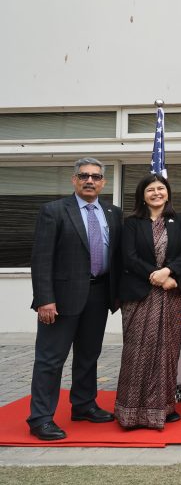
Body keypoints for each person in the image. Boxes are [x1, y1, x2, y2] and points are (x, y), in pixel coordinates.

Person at [26, 158, 122, 441]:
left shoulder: (113, 213)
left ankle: (83, 404)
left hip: (99, 293)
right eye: (84, 176)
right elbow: (41, 259)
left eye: (95, 176)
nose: (89, 181)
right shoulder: (54, 211)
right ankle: (41, 418)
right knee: (50, 360)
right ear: (74, 180)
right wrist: (45, 299)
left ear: (104, 182)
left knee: (89, 355)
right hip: (61, 299)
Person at [115, 174, 181, 429]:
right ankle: (131, 412)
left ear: (168, 193)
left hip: (172, 295)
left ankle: (165, 406)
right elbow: (128, 257)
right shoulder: (132, 223)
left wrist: (169, 272)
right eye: (150, 189)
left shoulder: (179, 221)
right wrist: (156, 276)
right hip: (140, 295)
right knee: (137, 351)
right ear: (142, 195)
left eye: (161, 188)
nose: (156, 193)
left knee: (168, 352)